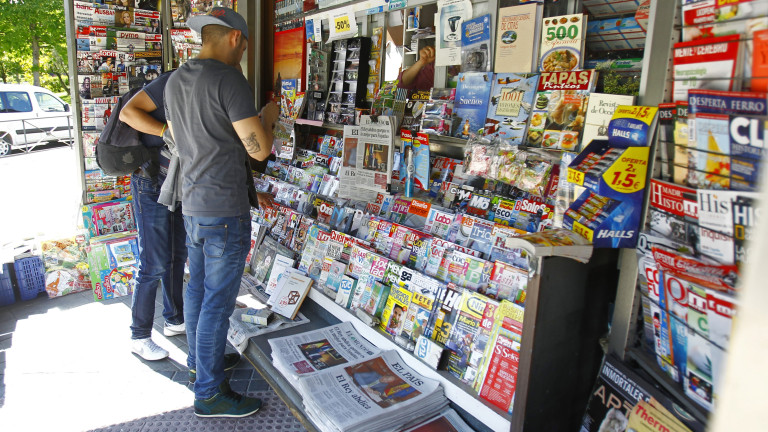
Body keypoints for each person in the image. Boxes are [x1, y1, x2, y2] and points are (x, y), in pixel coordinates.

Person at [164, 7, 278, 418]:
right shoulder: (229, 79)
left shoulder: (177, 79)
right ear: (234, 38)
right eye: (246, 44)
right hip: (225, 209)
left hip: (192, 203)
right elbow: (259, 149)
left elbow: (180, 134)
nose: (245, 51)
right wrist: (270, 117)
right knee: (217, 302)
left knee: (197, 291)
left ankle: (200, 363)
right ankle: (209, 393)